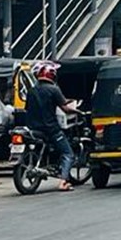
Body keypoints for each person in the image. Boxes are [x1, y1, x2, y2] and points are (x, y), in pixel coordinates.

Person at [23, 63, 80, 191]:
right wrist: (78, 112)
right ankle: (63, 182)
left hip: (33, 128)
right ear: (52, 75)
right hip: (50, 128)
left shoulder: (31, 91)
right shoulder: (54, 89)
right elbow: (65, 108)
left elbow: (27, 108)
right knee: (68, 153)